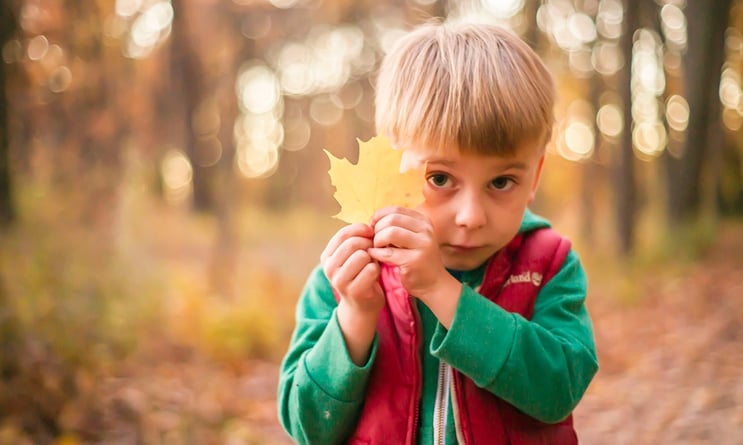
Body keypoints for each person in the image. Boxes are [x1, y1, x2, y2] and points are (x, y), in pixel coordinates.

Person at [277, 20, 598, 445]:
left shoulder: (548, 265)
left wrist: (443, 293)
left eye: (501, 182)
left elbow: (559, 390)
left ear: (534, 174)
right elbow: (307, 428)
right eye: (441, 179)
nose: (470, 216)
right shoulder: (346, 279)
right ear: (393, 166)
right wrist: (354, 317)